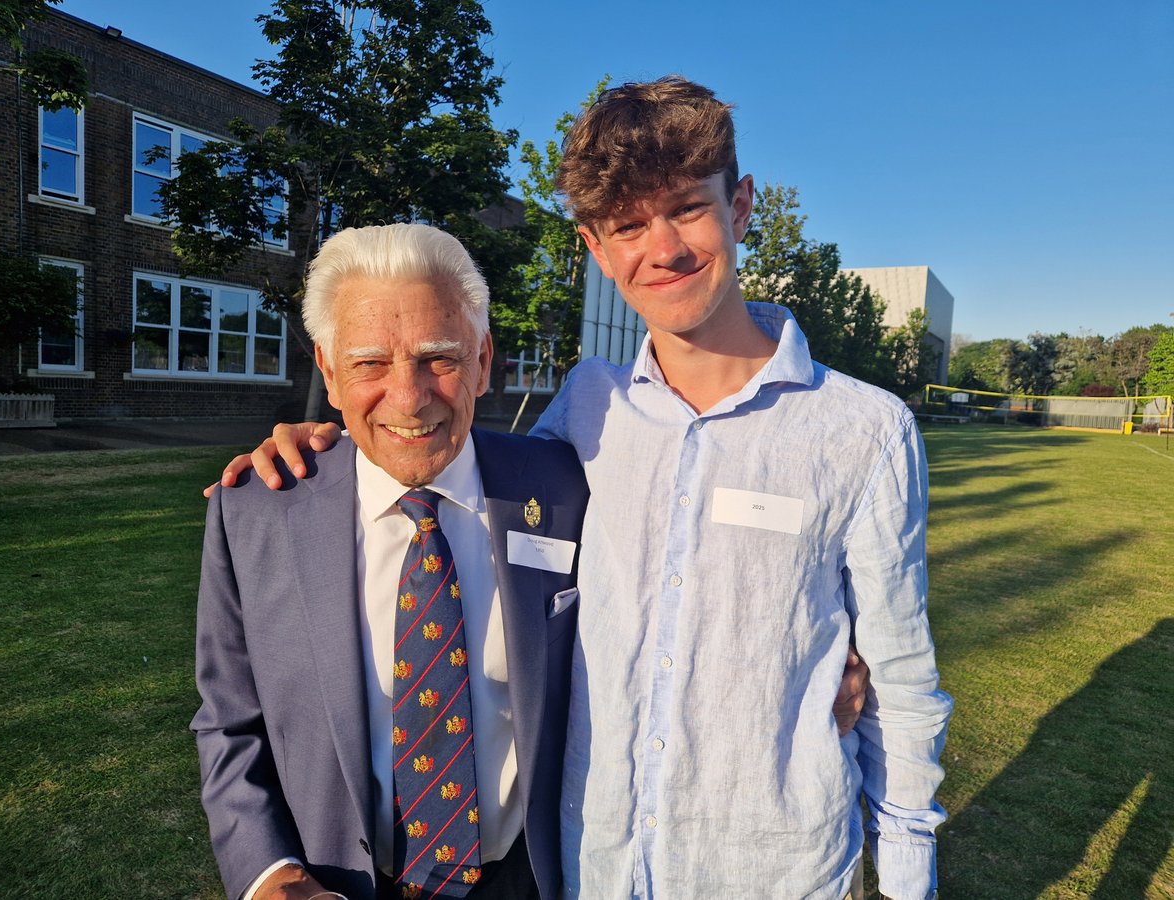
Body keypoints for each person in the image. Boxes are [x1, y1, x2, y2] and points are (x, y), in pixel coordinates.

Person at [217, 77, 949, 900]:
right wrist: (329, 444)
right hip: (590, 869)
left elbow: (905, 685)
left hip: (774, 870)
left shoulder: (865, 431)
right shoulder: (586, 410)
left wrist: (905, 877)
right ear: (597, 250)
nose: (661, 247)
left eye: (687, 208)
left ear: (742, 206)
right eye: (628, 225)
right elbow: (445, 467)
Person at [192, 224, 590, 900]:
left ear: (485, 359)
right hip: (337, 883)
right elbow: (229, 721)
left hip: (528, 879)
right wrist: (267, 875)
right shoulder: (257, 510)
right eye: (370, 363)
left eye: (439, 357)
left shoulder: (563, 487)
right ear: (329, 371)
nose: (409, 397)